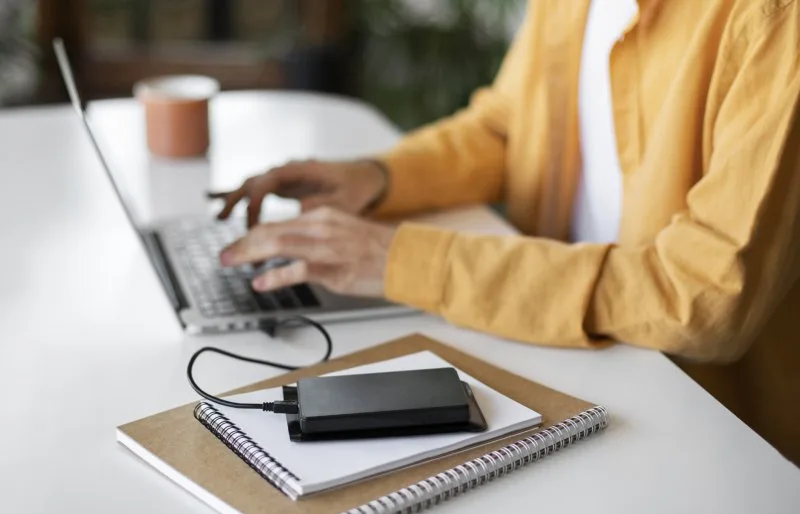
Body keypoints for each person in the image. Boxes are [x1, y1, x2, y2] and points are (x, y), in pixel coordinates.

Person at [211, 0, 800, 464]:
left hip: (714, 433)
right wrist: (380, 177)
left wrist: (410, 260)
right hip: (564, 359)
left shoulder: (779, 19)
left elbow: (704, 293)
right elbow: (509, 127)